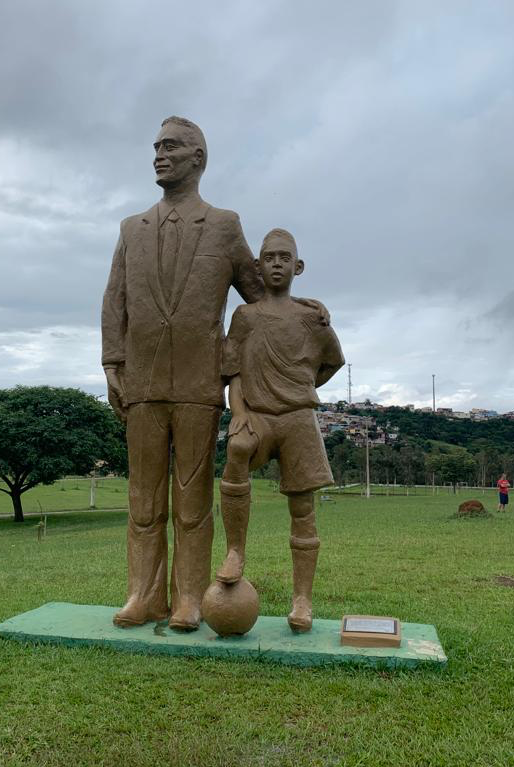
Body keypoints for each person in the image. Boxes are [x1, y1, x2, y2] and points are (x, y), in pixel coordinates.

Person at [101, 117, 264, 631]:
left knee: (192, 498)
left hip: (198, 384)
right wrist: (112, 362)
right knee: (143, 498)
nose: (158, 155)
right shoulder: (132, 228)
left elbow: (259, 297)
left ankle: (189, 598)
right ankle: (143, 595)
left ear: (198, 158)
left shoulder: (224, 224)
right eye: (155, 147)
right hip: (142, 383)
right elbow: (115, 301)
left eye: (170, 147)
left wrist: (302, 309)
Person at [216, 228, 344, 632]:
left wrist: (301, 386)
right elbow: (232, 373)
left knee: (303, 509)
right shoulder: (245, 317)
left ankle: (302, 601)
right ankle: (235, 550)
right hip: (258, 416)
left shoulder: (311, 316)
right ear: (257, 265)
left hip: (297, 419)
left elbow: (332, 362)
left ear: (298, 266)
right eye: (268, 257)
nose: (275, 264)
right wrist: (239, 411)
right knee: (236, 448)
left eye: (283, 258)